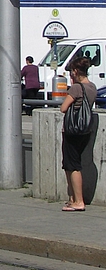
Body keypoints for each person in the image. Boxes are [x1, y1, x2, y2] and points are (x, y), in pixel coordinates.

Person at [59, 56, 95, 212]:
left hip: (72, 131)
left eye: (71, 72)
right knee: (71, 163)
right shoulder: (92, 86)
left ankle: (78, 201)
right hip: (85, 130)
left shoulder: (76, 88)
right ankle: (73, 199)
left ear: (75, 71)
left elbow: (63, 108)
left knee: (73, 165)